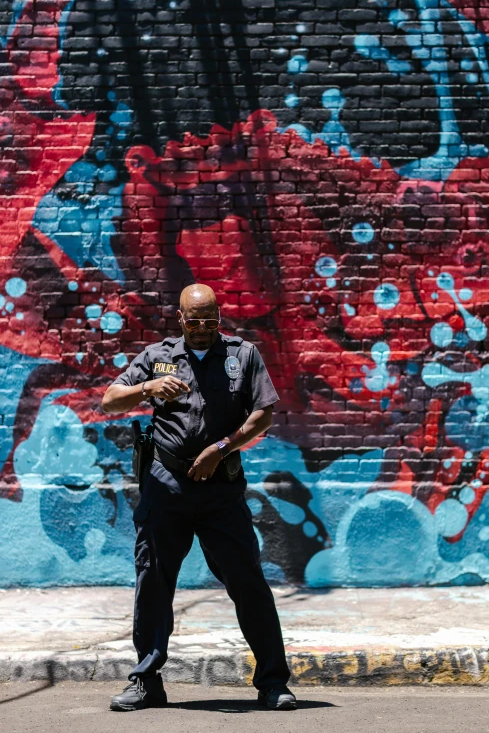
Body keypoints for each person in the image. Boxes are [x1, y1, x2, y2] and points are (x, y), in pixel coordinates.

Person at [102, 283, 296, 712]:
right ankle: (146, 682)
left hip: (220, 491)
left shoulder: (241, 356)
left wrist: (222, 448)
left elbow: (263, 413)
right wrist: (149, 391)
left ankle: (272, 682)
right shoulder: (157, 357)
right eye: (196, 321)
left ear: (219, 317)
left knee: (247, 581)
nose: (204, 328)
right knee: (153, 582)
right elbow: (110, 400)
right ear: (181, 318)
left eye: (211, 320)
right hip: (165, 486)